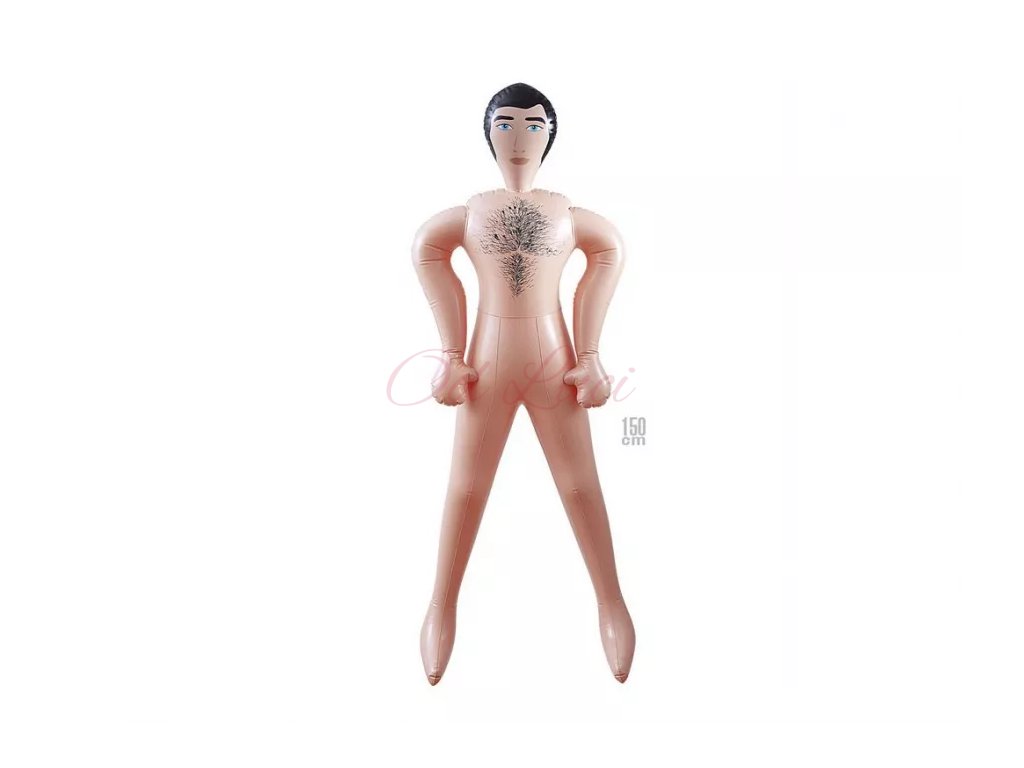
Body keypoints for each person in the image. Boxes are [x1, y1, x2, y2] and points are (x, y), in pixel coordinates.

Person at [411, 82, 635, 684]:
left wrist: (591, 354)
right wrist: (450, 353)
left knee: (580, 485)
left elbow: (610, 251)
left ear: (550, 137)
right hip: (485, 362)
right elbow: (427, 249)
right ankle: (441, 606)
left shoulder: (567, 214)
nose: (518, 138)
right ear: (488, 134)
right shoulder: (470, 213)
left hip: (554, 361)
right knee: (465, 488)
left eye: (534, 126)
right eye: (505, 124)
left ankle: (611, 602)